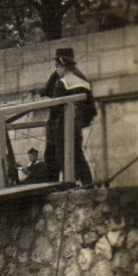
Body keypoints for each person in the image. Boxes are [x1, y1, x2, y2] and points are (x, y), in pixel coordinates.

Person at [37, 47, 96, 185]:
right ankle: (87, 183)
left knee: (62, 155)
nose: (57, 70)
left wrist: (51, 124)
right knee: (77, 155)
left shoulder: (61, 82)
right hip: (77, 126)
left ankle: (69, 184)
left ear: (62, 65)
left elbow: (55, 107)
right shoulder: (83, 81)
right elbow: (91, 109)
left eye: (57, 66)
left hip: (61, 126)